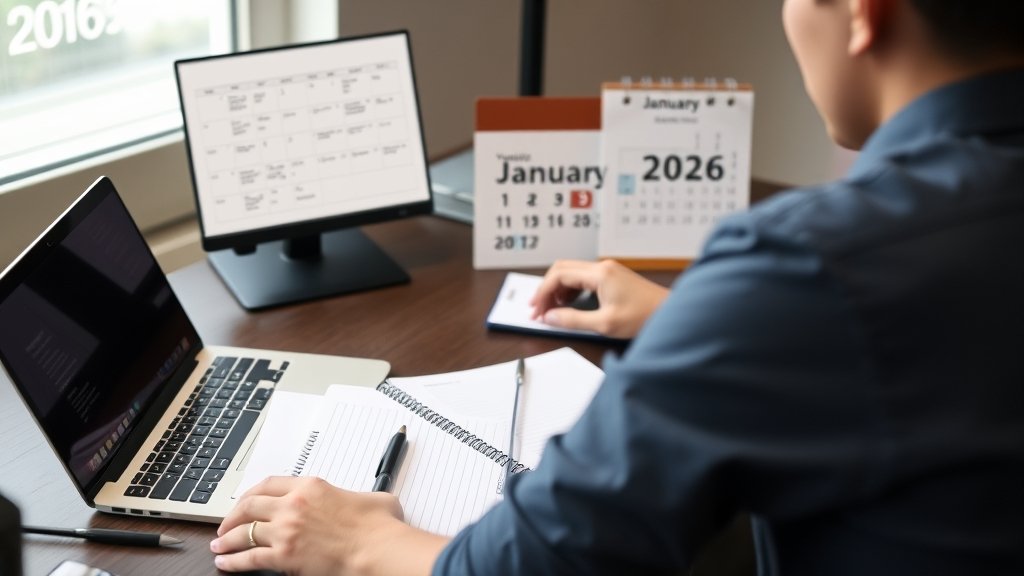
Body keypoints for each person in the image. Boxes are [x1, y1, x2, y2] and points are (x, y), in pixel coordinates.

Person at [210, 0, 1024, 574]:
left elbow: (539, 562)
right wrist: (705, 322)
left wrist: (358, 544)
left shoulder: (813, 264)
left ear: (861, 11)